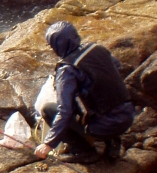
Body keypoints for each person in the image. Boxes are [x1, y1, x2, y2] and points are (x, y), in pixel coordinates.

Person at [33, 21, 135, 164]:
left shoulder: (67, 70)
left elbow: (65, 111)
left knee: (49, 110)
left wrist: (49, 144)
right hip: (128, 115)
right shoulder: (96, 48)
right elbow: (117, 66)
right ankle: (113, 143)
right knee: (99, 100)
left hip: (104, 127)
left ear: (57, 46)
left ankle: (84, 151)